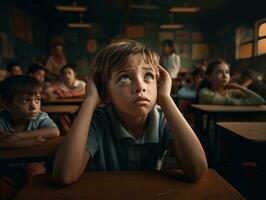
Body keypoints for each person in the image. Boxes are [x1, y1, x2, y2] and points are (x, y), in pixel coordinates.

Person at [53, 40, 207, 185]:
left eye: (148, 76)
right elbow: (64, 175)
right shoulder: (97, 120)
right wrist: (90, 100)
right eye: (125, 78)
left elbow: (197, 171)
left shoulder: (162, 118)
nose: (140, 86)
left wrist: (165, 98)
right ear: (105, 92)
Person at [0, 75, 60, 199]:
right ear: (7, 104)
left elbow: (54, 131)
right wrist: (26, 143)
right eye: (25, 101)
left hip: (32, 164)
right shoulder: (2, 119)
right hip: (5, 168)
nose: (34, 106)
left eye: (37, 100)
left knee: (37, 179)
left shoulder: (40, 117)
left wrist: (18, 136)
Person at [198, 60, 265, 105]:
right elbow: (229, 102)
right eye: (219, 72)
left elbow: (260, 101)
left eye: (227, 72)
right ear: (209, 77)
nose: (225, 76)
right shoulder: (204, 92)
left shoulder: (231, 92)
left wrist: (240, 87)